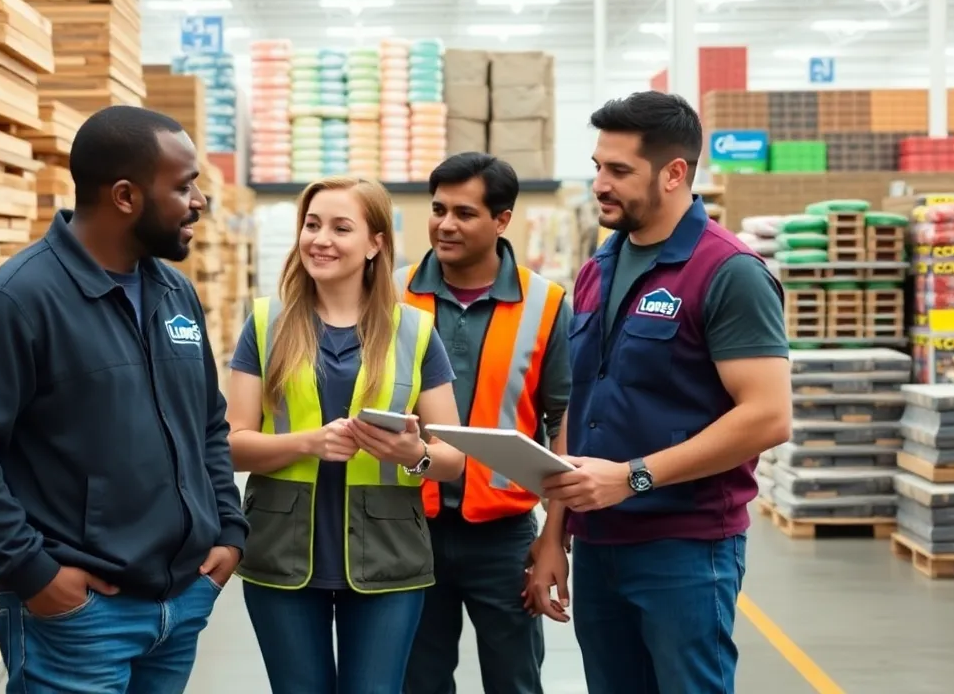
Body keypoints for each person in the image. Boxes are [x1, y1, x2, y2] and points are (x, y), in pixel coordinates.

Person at [0, 106, 246, 694]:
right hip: (81, 620)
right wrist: (33, 571)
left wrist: (227, 530)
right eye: (183, 186)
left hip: (181, 604)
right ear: (125, 196)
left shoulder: (175, 294)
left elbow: (208, 424)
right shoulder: (16, 302)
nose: (198, 202)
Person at [527, 90, 792, 694]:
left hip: (686, 548)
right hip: (599, 544)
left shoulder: (728, 272)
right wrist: (553, 533)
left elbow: (767, 416)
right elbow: (581, 405)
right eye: (598, 166)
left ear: (674, 173)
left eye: (619, 170)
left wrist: (632, 478)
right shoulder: (598, 269)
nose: (601, 184)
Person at [224, 175, 468, 694]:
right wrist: (307, 443)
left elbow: (453, 458)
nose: (321, 240)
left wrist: (414, 453)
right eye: (312, 225)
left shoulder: (414, 331)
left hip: (388, 554)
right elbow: (231, 444)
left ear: (375, 243)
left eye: (340, 228)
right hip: (281, 552)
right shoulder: (266, 323)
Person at [397, 153, 572, 694]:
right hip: (407, 525)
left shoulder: (546, 304)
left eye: (465, 213)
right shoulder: (392, 294)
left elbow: (563, 421)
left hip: (505, 537)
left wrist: (554, 538)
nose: (445, 224)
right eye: (438, 210)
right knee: (417, 682)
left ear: (502, 220)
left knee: (514, 682)